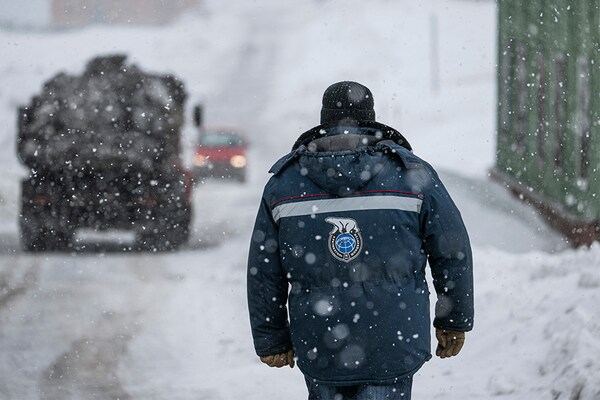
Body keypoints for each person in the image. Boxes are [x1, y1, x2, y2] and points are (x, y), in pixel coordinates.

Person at [247, 81, 474, 399]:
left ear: (324, 122)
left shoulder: (285, 184)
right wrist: (453, 319)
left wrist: (272, 338)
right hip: (393, 341)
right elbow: (452, 250)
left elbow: (263, 269)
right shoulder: (412, 176)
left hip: (320, 342)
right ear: (372, 119)